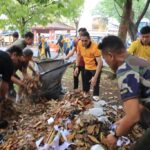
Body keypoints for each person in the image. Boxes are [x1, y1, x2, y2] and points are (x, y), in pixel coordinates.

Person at [98, 35, 150, 150]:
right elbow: (139, 108)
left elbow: (133, 116)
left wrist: (115, 135)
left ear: (111, 56)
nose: (106, 63)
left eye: (105, 59)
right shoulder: (136, 60)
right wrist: (124, 121)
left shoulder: (125, 70)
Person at [74, 31, 103, 101]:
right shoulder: (79, 44)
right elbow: (78, 55)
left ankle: (95, 96)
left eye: (86, 41)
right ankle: (86, 93)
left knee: (95, 83)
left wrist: (95, 77)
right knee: (85, 82)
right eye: (82, 40)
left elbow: (100, 63)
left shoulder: (95, 47)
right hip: (86, 67)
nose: (83, 43)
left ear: (89, 39)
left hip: (95, 67)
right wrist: (77, 66)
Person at [0, 46, 22, 128]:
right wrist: (3, 97)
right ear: (14, 55)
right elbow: (4, 85)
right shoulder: (9, 63)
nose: (17, 63)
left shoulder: (2, 54)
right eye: (18, 60)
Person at [65, 28, 87, 92]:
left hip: (86, 63)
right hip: (78, 62)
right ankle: (75, 89)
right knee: (75, 75)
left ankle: (85, 91)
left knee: (84, 78)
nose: (80, 36)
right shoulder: (77, 41)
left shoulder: (88, 42)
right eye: (79, 35)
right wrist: (66, 57)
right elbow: (72, 51)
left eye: (81, 34)